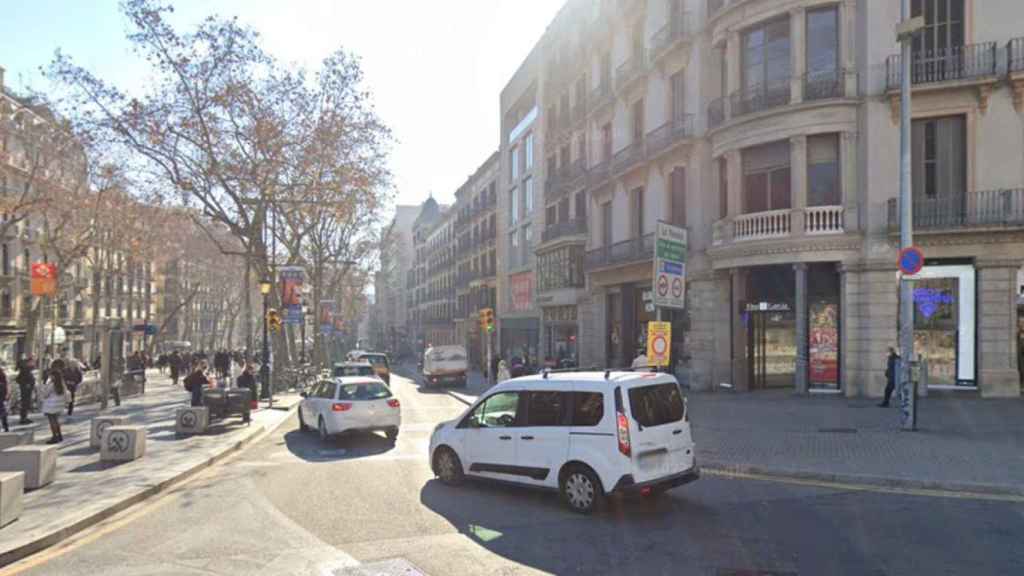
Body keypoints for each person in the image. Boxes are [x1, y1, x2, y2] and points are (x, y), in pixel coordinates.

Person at [40, 360, 67, 444]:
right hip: (58, 405)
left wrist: (43, 388)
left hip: (50, 405)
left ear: (53, 376)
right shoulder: (62, 384)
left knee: (52, 421)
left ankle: (54, 436)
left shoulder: (52, 384)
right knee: (56, 420)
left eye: (51, 375)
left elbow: (45, 394)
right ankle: (59, 435)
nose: (50, 377)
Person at [15, 354, 37, 425]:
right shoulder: (25, 370)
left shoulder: (27, 369)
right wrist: (27, 385)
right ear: (29, 362)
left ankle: (24, 417)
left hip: (27, 388)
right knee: (25, 403)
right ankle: (23, 418)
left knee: (26, 403)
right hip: (26, 389)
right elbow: (20, 379)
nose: (33, 363)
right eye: (32, 361)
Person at [0, 363, 9, 432]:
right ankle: (5, 426)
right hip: (2, 391)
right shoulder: (2, 372)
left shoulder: (2, 373)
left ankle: (5, 426)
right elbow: (6, 383)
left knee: (2, 409)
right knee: (2, 409)